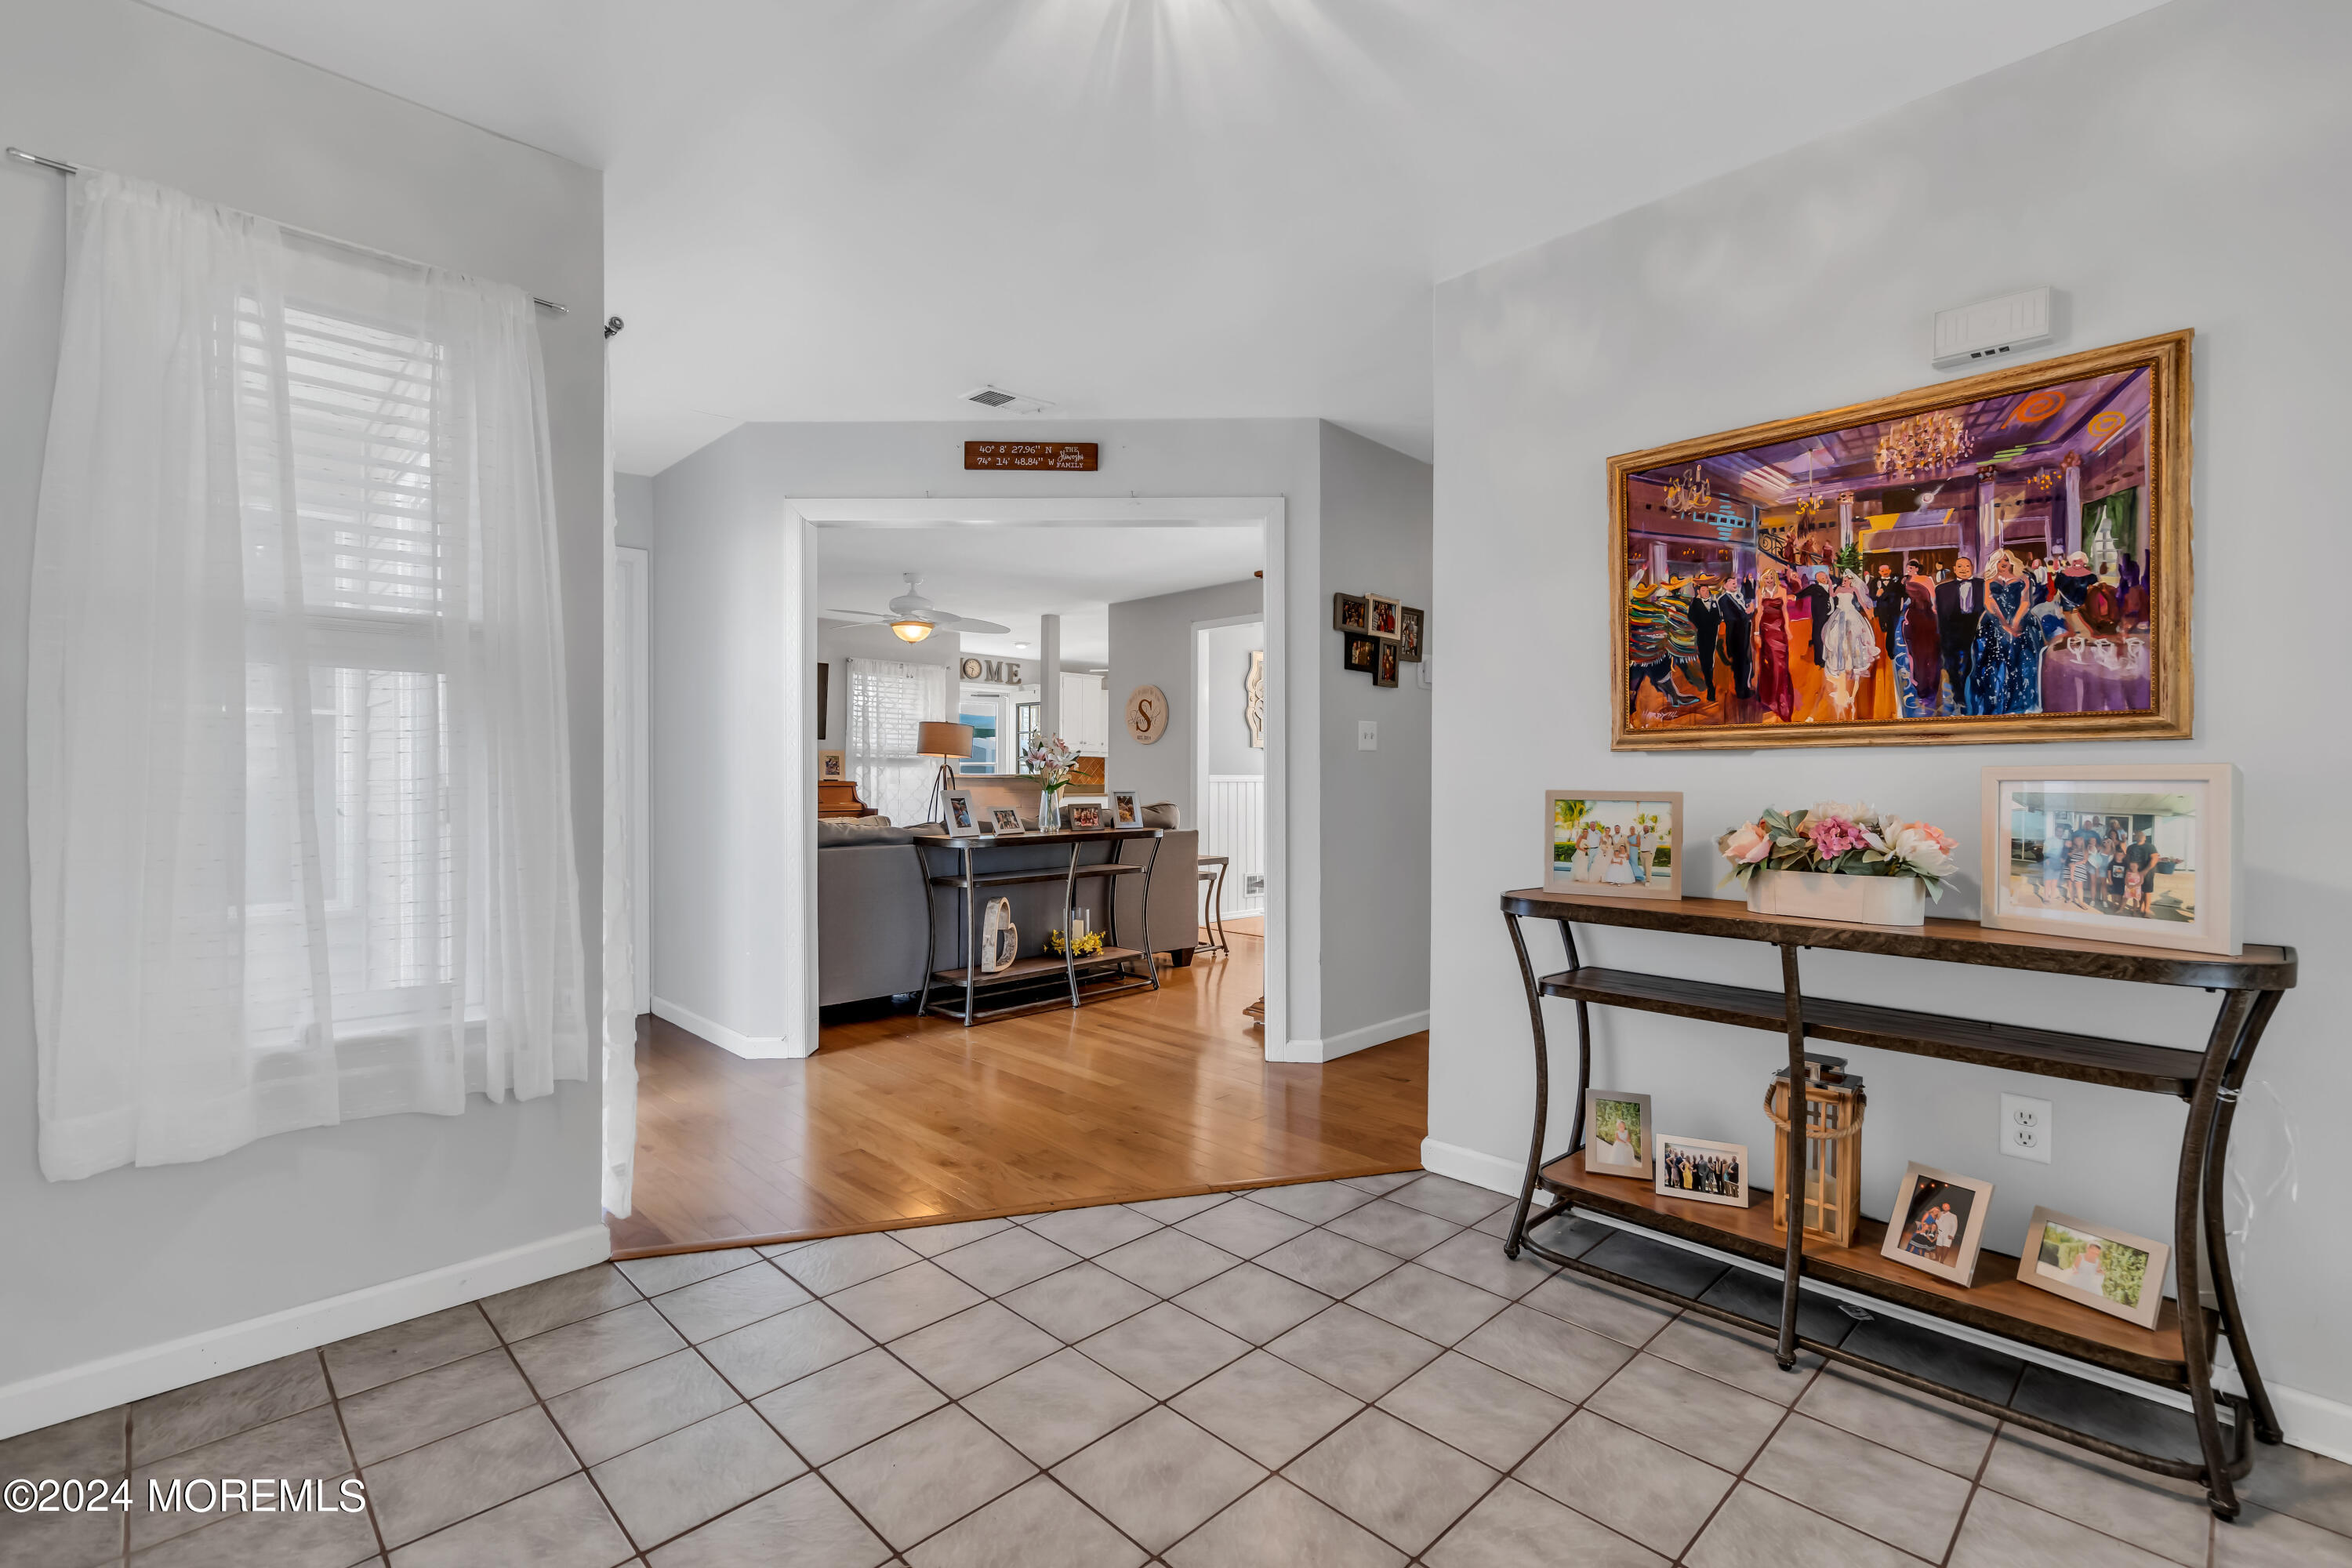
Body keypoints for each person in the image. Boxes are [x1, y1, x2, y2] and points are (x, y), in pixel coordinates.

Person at [1970, 550, 2045, 714]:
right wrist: (2004, 625)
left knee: (2023, 659)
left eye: (2006, 560)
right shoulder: (1989, 580)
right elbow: (1989, 603)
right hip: (1994, 620)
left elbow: (2026, 602)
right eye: (1999, 561)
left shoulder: (2024, 578)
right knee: (1993, 661)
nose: (2003, 563)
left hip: (2021, 618)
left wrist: (2016, 622)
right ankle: (1997, 704)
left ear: (2011, 561)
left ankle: (2021, 704)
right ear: (1993, 563)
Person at [1626, 573, 1701, 716]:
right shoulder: (1659, 611)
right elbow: (1666, 629)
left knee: (1634, 679)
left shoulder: (1630, 611)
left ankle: (1631, 705)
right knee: (1661, 671)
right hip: (1653, 653)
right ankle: (1674, 696)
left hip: (1636, 653)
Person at [1819, 572, 1881, 718]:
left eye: (1847, 580)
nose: (1844, 582)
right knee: (1836, 637)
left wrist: (1868, 612)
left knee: (1854, 637)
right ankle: (1841, 659)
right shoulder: (1839, 589)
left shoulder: (1854, 590)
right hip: (1839, 614)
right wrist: (1830, 583)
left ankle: (1852, 659)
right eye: (1844, 580)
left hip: (1851, 614)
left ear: (1851, 582)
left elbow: (1861, 602)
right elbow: (1832, 595)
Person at [1933, 556, 1986, 716]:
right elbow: (1941, 615)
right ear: (1954, 569)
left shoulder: (1984, 585)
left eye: (1967, 566)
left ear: (1972, 568)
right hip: (1952, 631)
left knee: (1972, 664)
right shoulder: (1942, 589)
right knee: (1952, 666)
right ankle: (1958, 695)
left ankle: (1969, 696)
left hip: (1975, 629)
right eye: (1960, 567)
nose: (1964, 569)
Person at [1900, 561, 1942, 712]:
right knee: (1915, 652)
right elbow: (1901, 599)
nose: (1909, 570)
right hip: (1912, 617)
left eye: (1911, 568)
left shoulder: (1926, 579)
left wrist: (1936, 614)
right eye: (1908, 568)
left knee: (1931, 652)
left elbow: (1933, 597)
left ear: (1917, 569)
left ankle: (1932, 686)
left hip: (1928, 616)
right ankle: (1921, 687)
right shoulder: (1905, 580)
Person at [1755, 568, 1795, 721]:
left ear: (1775, 579)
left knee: (1781, 666)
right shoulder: (1760, 592)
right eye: (1767, 578)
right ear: (1763, 580)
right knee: (1770, 665)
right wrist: (1756, 633)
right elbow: (1759, 613)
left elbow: (1785, 612)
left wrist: (1787, 629)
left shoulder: (1782, 591)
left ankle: (1782, 701)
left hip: (1780, 631)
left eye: (1771, 577)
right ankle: (1769, 698)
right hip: (1766, 631)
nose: (1769, 580)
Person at [1715, 579, 1755, 701]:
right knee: (1739, 664)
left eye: (1736, 582)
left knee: (1746, 661)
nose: (1736, 584)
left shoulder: (1738, 596)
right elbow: (1734, 618)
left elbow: (1742, 613)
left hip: (1743, 634)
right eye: (1732, 583)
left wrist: (1749, 611)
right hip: (1735, 636)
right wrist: (1750, 612)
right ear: (1725, 585)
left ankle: (1745, 687)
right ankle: (1741, 691)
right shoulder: (1723, 600)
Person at [1687, 575, 1725, 699]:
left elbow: (1718, 617)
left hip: (1713, 635)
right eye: (1703, 591)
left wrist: (1716, 621)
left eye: (1707, 590)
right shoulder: (1695, 603)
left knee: (1711, 660)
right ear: (1699, 592)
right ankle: (1710, 686)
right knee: (1705, 661)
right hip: (1702, 636)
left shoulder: (1714, 602)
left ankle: (1710, 681)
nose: (1706, 593)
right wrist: (1703, 625)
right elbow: (1691, 618)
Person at [2052, 550, 2097, 635]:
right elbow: (2057, 585)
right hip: (2068, 604)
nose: (2077, 563)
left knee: (2084, 623)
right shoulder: (2065, 574)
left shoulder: (2088, 575)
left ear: (2084, 563)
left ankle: (2082, 633)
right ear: (2071, 562)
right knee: (2071, 624)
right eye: (2075, 561)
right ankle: (2073, 632)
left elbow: (2094, 582)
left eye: (2080, 561)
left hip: (2082, 604)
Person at [1796, 567, 1833, 666]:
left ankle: (1830, 657)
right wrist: (1794, 597)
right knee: (1818, 637)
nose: (1825, 580)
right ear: (1818, 580)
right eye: (1822, 578)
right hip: (1819, 617)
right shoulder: (1814, 588)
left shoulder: (1832, 587)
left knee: (1830, 637)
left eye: (1825, 577)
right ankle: (1819, 660)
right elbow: (1801, 594)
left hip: (1832, 616)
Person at [2126, 830, 2158, 913]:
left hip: (2148, 873)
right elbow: (2128, 859)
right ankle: (2140, 907)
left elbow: (2155, 859)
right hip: (2135, 873)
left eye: (2142, 835)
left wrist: (2145, 871)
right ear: (2135, 837)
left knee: (2147, 891)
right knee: (2138, 891)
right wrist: (2130, 870)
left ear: (2145, 838)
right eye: (2137, 835)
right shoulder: (2130, 847)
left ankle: (2146, 910)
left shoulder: (2150, 847)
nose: (2139, 836)